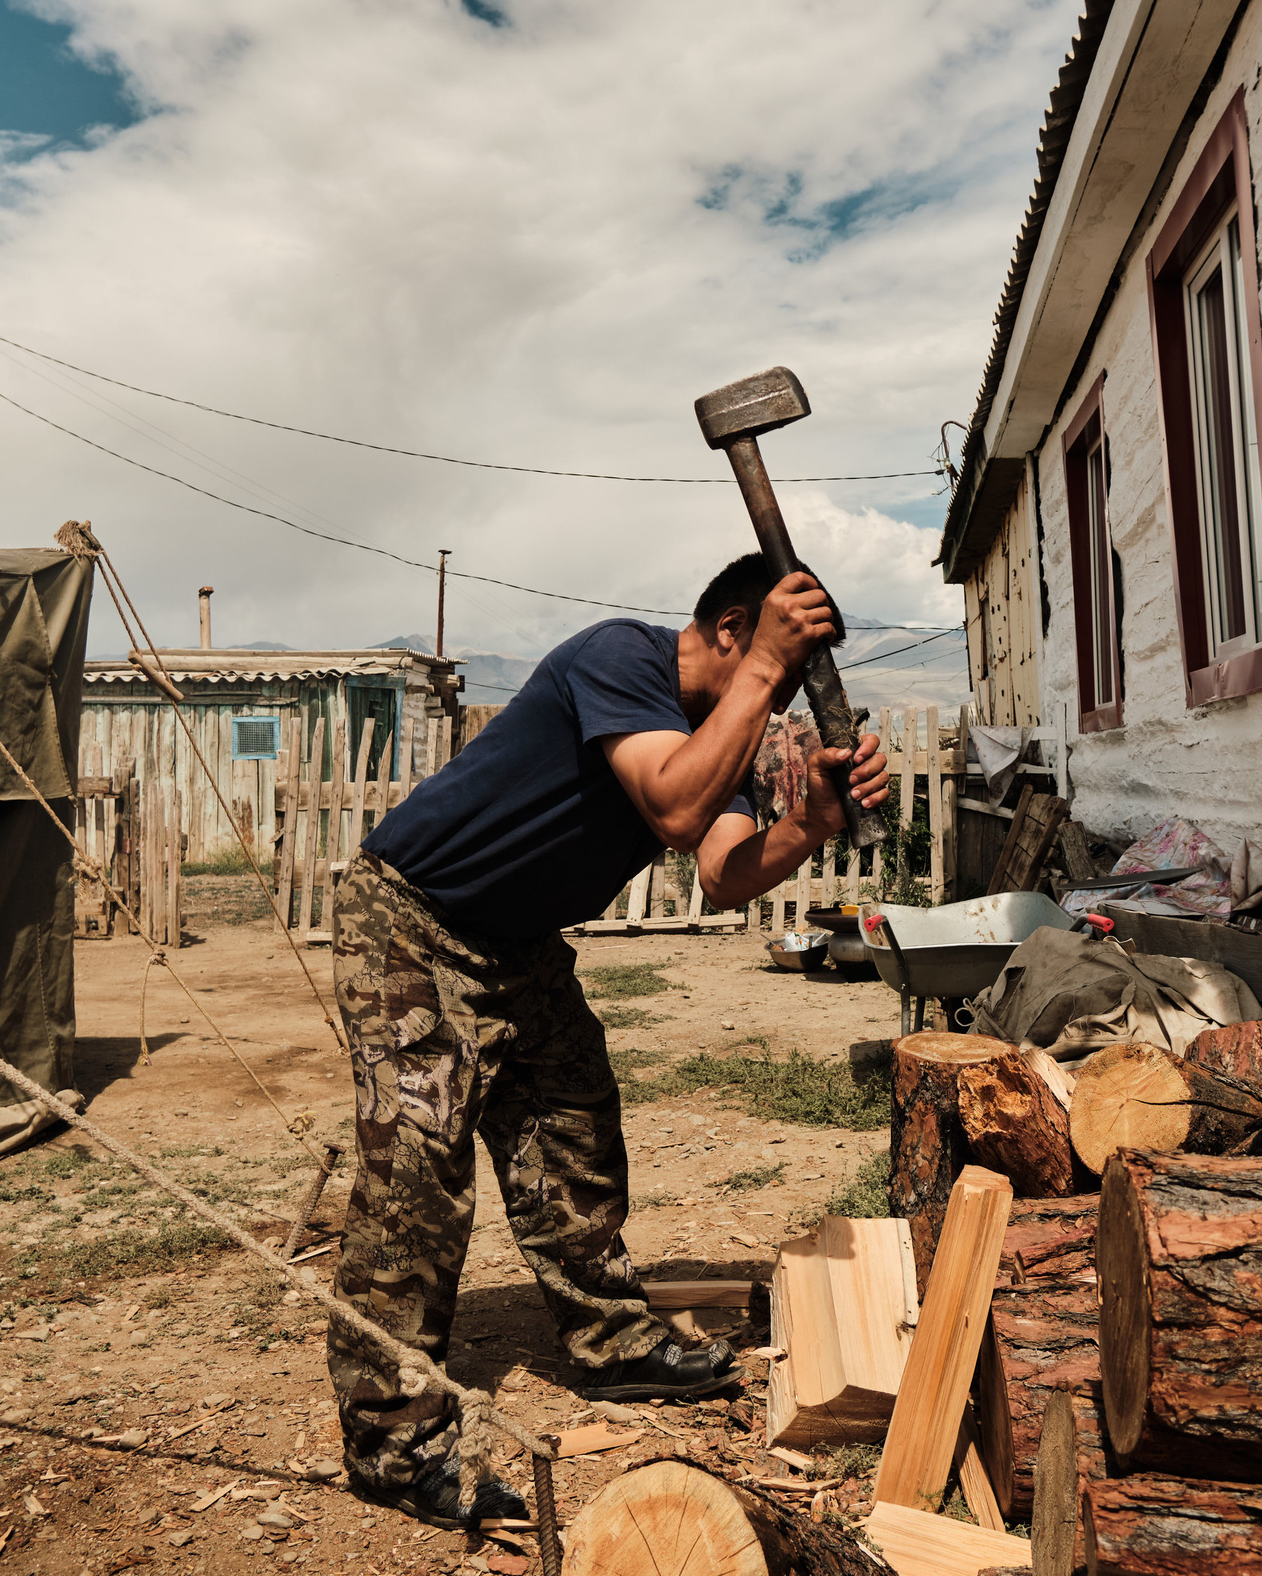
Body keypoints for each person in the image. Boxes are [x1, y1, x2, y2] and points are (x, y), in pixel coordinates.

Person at [327, 554, 890, 1527]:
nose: (776, 691)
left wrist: (809, 819)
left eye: (790, 679)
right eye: (766, 659)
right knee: (420, 1173)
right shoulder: (620, 657)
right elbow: (674, 806)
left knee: (574, 1124)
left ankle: (611, 1342)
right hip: (413, 919)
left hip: (517, 944)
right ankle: (391, 1438)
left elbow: (723, 870)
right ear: (727, 631)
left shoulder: (730, 729)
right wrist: (767, 667)